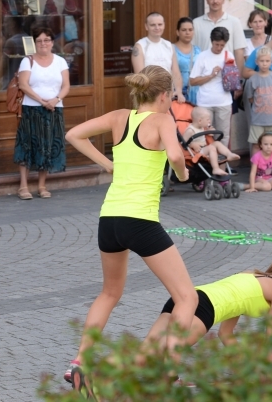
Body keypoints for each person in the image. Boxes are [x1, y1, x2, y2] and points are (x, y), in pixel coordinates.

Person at [63, 66, 196, 394]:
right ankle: (171, 372)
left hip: (109, 220)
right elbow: (177, 155)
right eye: (171, 97)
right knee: (187, 297)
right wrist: (181, 173)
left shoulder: (119, 116)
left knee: (109, 293)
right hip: (141, 221)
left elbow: (73, 134)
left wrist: (107, 163)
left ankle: (80, 361)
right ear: (164, 95)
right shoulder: (163, 120)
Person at [142, 255, 272, 357]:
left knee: (145, 351)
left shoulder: (251, 276)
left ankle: (117, 376)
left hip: (186, 298)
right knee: (159, 352)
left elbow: (225, 333)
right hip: (204, 309)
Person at [14, 26, 70, 200]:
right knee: (27, 145)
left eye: (46, 40)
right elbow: (23, 84)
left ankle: (42, 185)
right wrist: (41, 101)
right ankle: (23, 186)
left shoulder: (60, 61)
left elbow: (66, 85)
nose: (43, 43)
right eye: (39, 40)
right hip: (32, 109)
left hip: (54, 109)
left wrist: (55, 100)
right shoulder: (27, 61)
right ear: (35, 43)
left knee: (48, 146)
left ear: (52, 42)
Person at [189, 27, 236, 142]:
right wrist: (210, 75)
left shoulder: (228, 55)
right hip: (205, 102)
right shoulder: (203, 56)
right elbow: (192, 81)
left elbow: (233, 81)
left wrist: (229, 73)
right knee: (203, 136)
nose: (219, 48)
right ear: (211, 41)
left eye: (222, 45)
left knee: (223, 136)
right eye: (216, 44)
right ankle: (206, 159)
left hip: (224, 102)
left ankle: (223, 160)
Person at [132, 13, 185, 102]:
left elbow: (175, 72)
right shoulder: (140, 46)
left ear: (164, 25)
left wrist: (178, 91)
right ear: (146, 26)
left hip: (168, 97)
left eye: (160, 24)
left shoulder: (169, 46)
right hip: (149, 97)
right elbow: (140, 76)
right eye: (153, 25)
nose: (157, 28)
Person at [193, 0, 247, 69]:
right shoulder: (196, 23)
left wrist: (238, 79)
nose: (215, 1)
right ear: (206, 0)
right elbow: (192, 52)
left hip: (227, 76)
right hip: (203, 76)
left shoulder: (234, 22)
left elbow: (239, 52)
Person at [243, 47, 272, 151]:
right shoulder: (252, 80)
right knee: (256, 144)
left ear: (271, 62)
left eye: (267, 61)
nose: (264, 64)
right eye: (261, 61)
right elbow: (251, 98)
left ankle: (271, 167)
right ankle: (256, 166)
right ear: (256, 62)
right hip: (258, 119)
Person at [183, 107, 240, 176]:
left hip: (204, 148)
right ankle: (215, 168)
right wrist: (192, 144)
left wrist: (209, 132)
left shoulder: (201, 127)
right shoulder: (190, 130)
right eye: (207, 119)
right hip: (197, 152)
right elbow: (183, 142)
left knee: (217, 143)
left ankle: (229, 154)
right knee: (212, 148)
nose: (209, 121)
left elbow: (202, 135)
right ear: (200, 121)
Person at [173, 17, 201, 104]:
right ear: (178, 32)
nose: (187, 33)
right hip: (177, 93)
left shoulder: (198, 50)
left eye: (190, 30)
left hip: (196, 93)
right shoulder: (170, 49)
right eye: (184, 30)